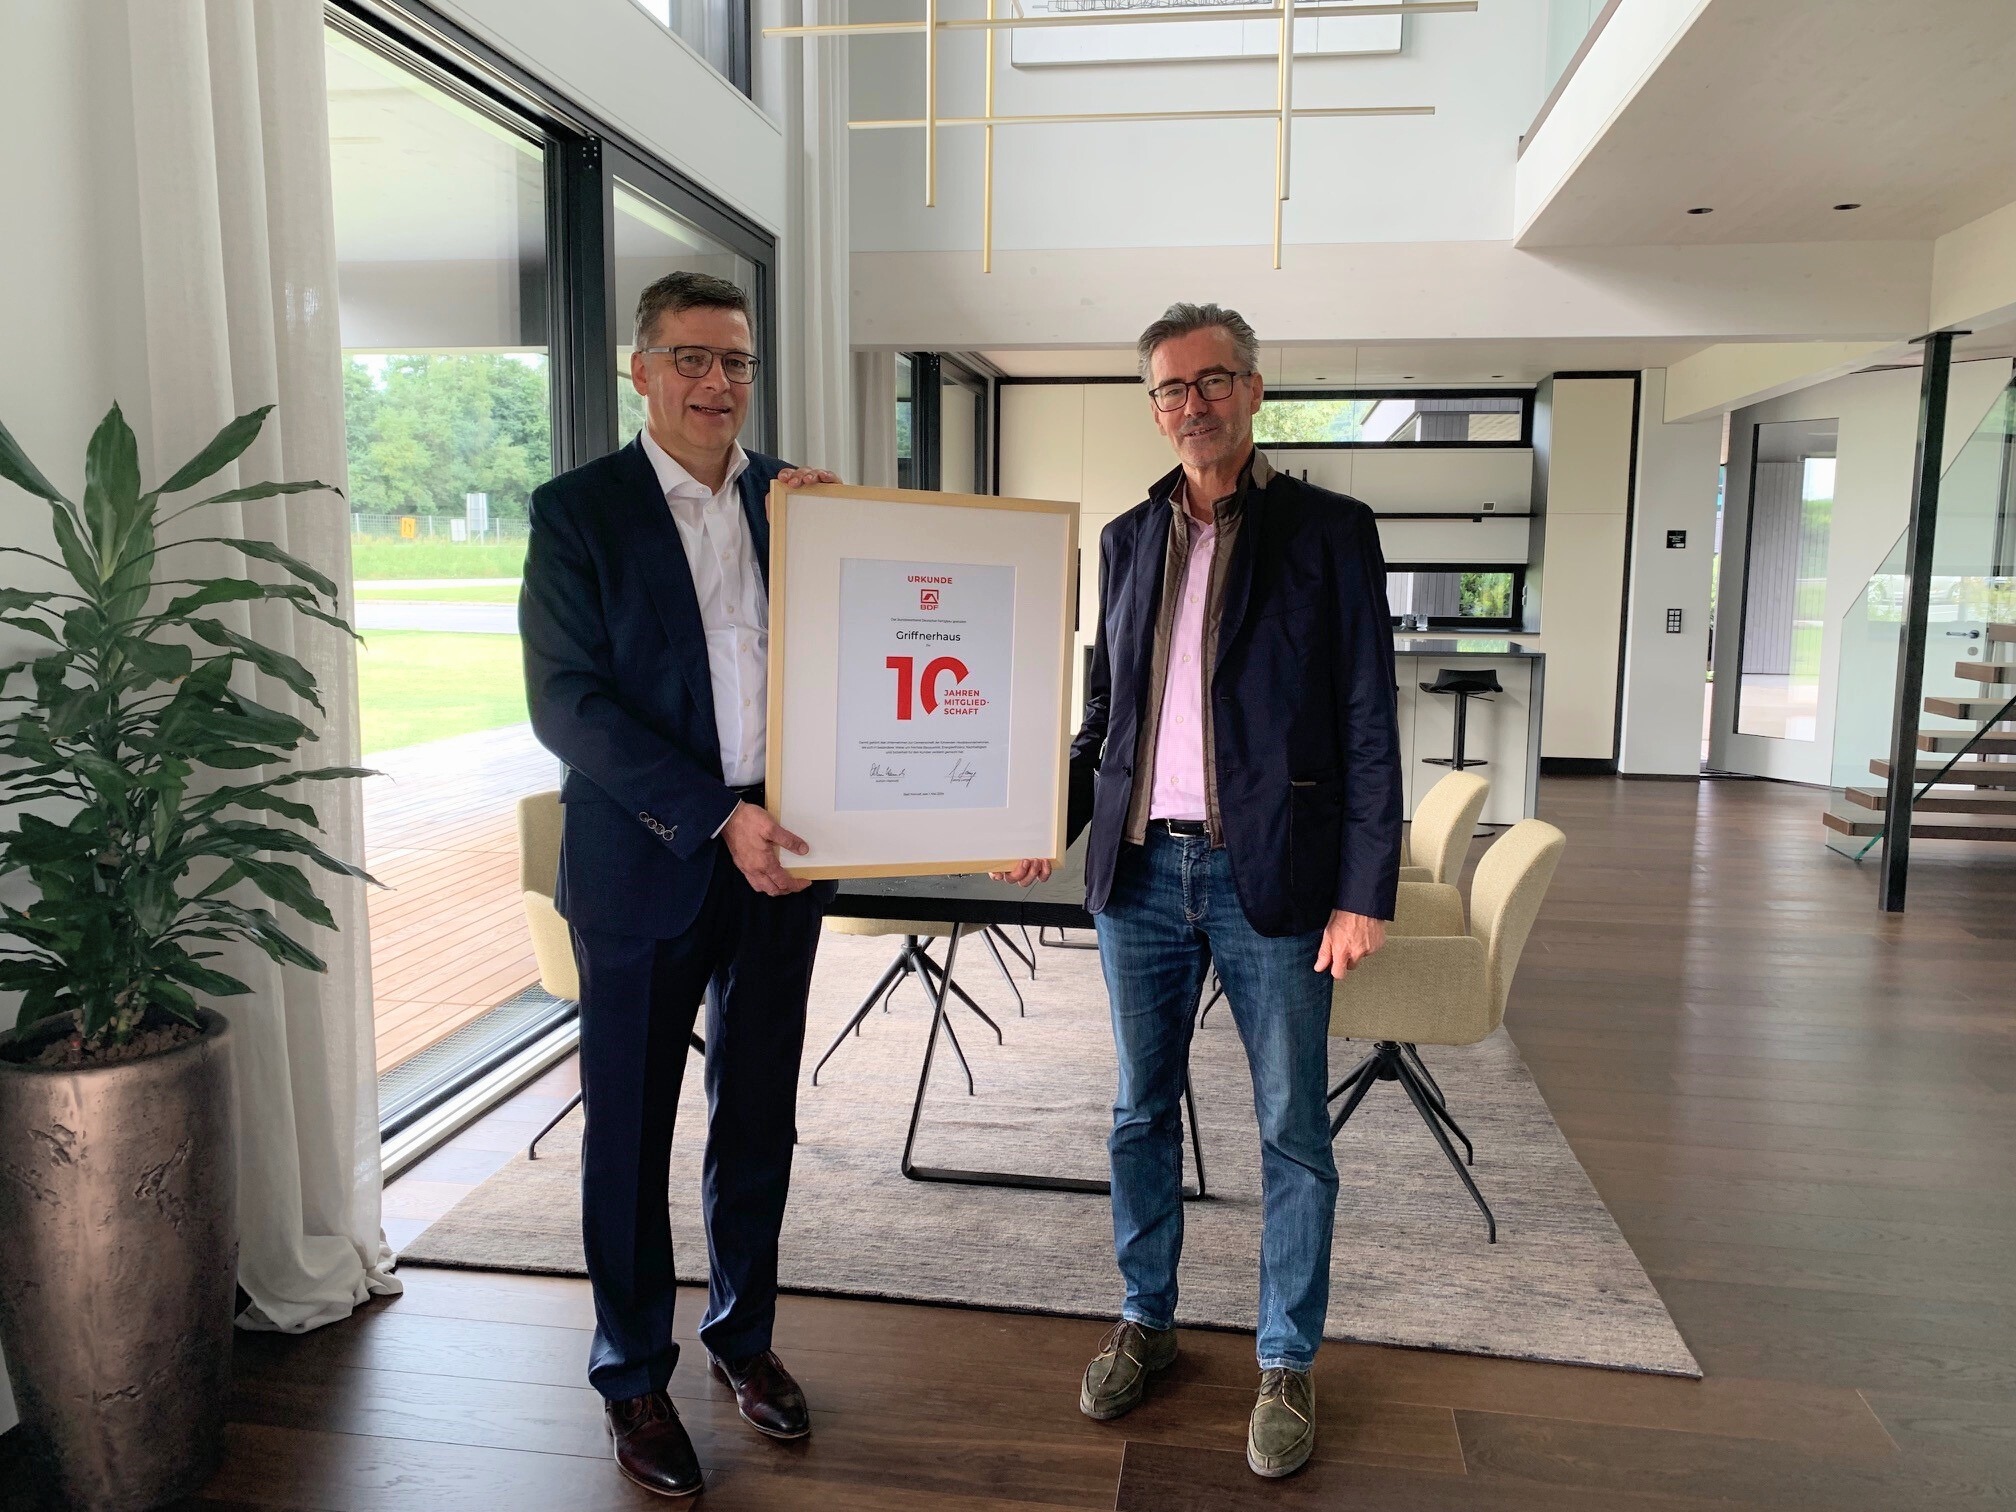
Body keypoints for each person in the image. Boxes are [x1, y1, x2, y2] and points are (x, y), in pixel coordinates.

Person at [994, 301, 1402, 1480]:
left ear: (1255, 390)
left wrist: (1364, 889)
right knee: (1138, 1112)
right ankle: (1148, 1319)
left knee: (1290, 1126)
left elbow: (1369, 719)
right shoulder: (1128, 539)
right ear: (1155, 408)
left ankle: (1286, 1359)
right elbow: (1104, 719)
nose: (1192, 404)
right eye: (1171, 388)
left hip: (1270, 872)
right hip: (1140, 873)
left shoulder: (1330, 531)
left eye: (1212, 380)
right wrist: (1044, 822)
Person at [520, 270, 841, 1499]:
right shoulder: (578, 511)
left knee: (758, 1115)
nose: (718, 382)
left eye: (737, 361)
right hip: (645, 861)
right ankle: (632, 1377)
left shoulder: (799, 501)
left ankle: (743, 1339)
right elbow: (567, 704)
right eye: (693, 359)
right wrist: (715, 816)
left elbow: (872, 648)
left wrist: (850, 544)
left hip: (785, 860)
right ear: (641, 370)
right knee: (630, 1131)